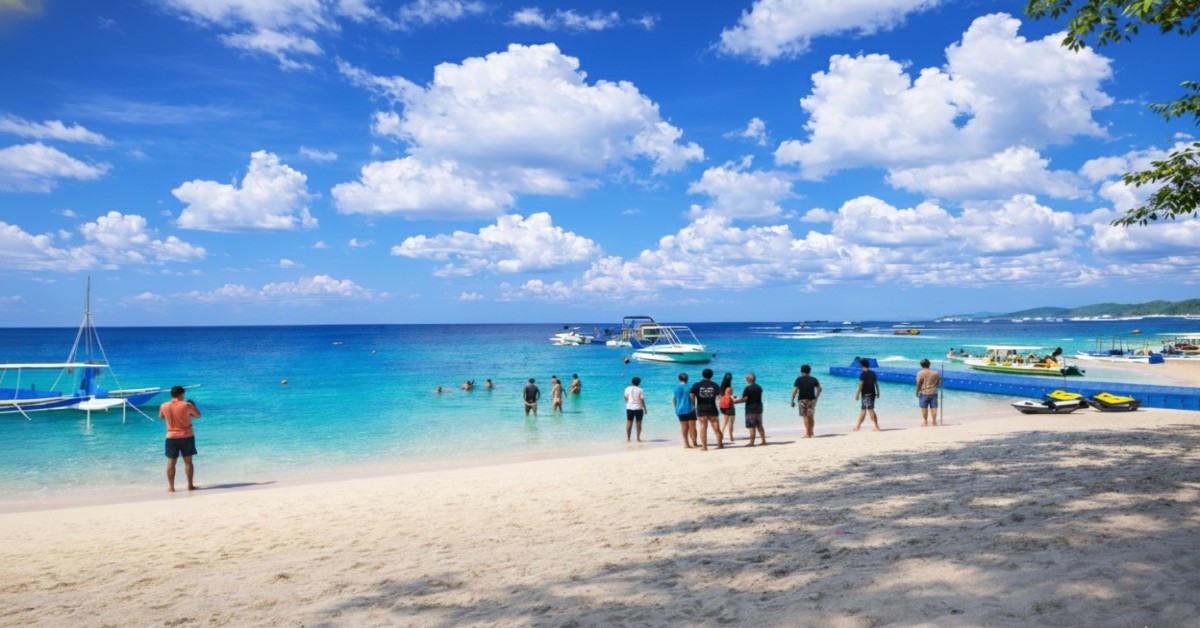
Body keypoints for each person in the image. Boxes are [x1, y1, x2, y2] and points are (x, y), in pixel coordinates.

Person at [159, 385, 201, 493]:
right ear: (181, 394)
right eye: (183, 394)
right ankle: (190, 485)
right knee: (188, 462)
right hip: (187, 436)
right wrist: (193, 406)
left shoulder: (164, 405)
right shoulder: (187, 405)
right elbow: (197, 415)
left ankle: (171, 488)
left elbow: (161, 417)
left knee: (171, 462)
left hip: (171, 436)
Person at [690, 368, 723, 450]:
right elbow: (720, 397)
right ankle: (720, 444)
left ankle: (704, 447)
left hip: (701, 408)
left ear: (702, 375)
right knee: (716, 427)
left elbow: (692, 397)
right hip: (712, 408)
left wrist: (693, 407)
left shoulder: (696, 385)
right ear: (711, 376)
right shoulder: (715, 385)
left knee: (703, 427)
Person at [790, 365, 822, 438]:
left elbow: (795, 390)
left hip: (802, 400)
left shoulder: (799, 379)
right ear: (809, 371)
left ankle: (808, 434)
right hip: (812, 400)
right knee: (811, 417)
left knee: (805, 417)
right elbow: (820, 389)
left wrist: (792, 400)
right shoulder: (814, 379)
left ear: (801, 371)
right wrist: (816, 397)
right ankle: (812, 433)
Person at [734, 373, 766, 446]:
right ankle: (764, 441)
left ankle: (752, 442)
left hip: (750, 408)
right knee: (759, 425)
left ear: (748, 379)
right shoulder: (759, 387)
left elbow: (745, 399)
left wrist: (735, 402)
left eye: (746, 378)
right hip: (759, 408)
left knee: (751, 426)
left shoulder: (747, 388)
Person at [854, 358, 881, 432]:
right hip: (872, 394)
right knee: (866, 409)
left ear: (862, 365)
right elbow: (876, 384)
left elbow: (861, 385)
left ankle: (876, 426)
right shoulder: (873, 373)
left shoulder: (863, 374)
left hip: (866, 395)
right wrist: (878, 392)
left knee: (868, 410)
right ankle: (858, 426)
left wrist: (857, 394)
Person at [672, 372, 697, 448]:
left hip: (680, 409)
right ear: (687, 379)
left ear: (679, 379)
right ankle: (694, 443)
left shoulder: (676, 388)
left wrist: (675, 407)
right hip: (690, 408)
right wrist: (694, 404)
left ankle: (686, 443)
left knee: (683, 426)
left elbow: (674, 399)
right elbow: (692, 397)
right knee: (692, 426)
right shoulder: (690, 387)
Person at [916, 359, 941, 426]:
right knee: (934, 407)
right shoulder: (935, 373)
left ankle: (925, 422)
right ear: (929, 364)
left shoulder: (920, 373)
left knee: (924, 408)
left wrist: (917, 392)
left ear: (921, 365)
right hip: (933, 392)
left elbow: (918, 384)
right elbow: (939, 383)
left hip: (924, 392)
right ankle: (934, 422)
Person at [623, 376, 647, 442]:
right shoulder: (640, 390)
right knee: (638, 423)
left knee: (629, 422)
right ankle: (638, 438)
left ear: (632, 382)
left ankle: (628, 438)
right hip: (638, 408)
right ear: (639, 383)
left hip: (629, 407)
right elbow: (642, 400)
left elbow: (625, 397)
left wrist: (628, 402)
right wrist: (645, 408)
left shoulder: (627, 388)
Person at [718, 372, 737, 443]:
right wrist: (734, 397)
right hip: (730, 407)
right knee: (731, 422)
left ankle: (721, 435)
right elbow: (730, 397)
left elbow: (720, 396)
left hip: (723, 407)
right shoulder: (729, 388)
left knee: (725, 422)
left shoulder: (721, 387)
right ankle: (731, 437)